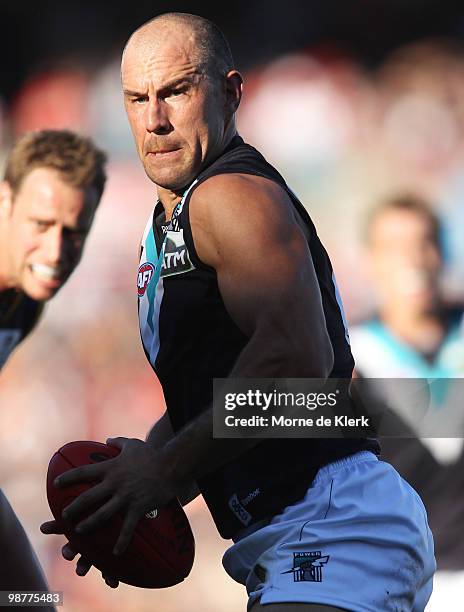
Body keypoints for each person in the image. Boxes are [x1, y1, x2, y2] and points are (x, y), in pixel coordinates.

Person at [41, 14, 435, 611]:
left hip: (333, 524)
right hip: (306, 531)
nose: (154, 119)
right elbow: (227, 395)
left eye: (176, 90)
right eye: (137, 99)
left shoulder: (230, 196)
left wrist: (167, 468)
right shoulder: (168, 226)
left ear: (230, 92)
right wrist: (131, 483)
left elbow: (301, 370)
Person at [0, 129, 107, 605]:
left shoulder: (26, 294)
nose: (56, 252)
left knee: (32, 602)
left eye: (74, 233)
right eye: (41, 225)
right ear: (5, 200)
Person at [349, 194, 464, 611]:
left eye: (425, 242)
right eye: (395, 247)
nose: (413, 259)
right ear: (369, 260)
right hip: (404, 587)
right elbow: (249, 414)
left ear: (443, 252)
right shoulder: (346, 360)